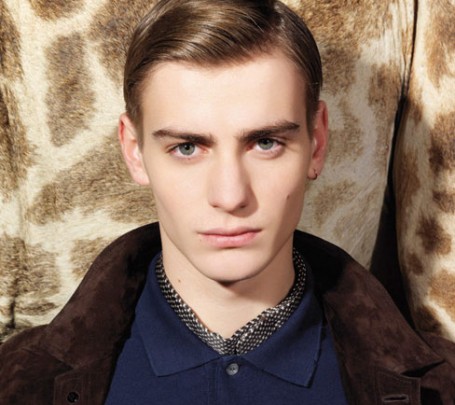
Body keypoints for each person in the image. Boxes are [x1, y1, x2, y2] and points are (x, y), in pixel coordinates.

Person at [1, 0, 455, 404]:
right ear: (134, 152)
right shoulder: (18, 381)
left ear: (317, 142)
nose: (231, 196)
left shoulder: (442, 385)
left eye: (265, 143)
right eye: (187, 147)